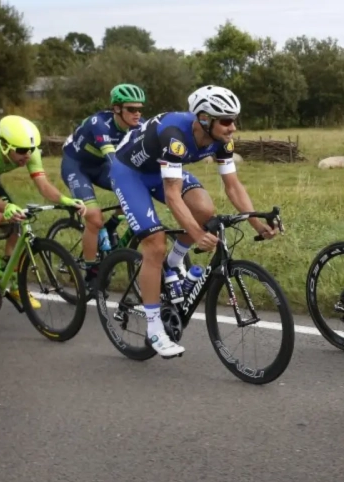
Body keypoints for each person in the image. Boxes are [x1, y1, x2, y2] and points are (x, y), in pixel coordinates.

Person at [109, 85, 278, 358]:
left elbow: (233, 186)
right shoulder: (174, 135)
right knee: (154, 244)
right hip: (130, 172)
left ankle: (174, 262)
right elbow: (173, 195)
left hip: (161, 169)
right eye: (225, 120)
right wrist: (196, 235)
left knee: (204, 209)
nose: (232, 127)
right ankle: (154, 329)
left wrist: (256, 223)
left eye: (234, 119)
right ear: (203, 118)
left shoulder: (222, 140)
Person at [0, 116, 86, 307]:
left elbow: (43, 185)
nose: (28, 155)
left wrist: (66, 200)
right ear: (5, 146)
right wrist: (5, 207)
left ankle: (11, 279)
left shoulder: (29, 152)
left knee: (17, 217)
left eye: (32, 150)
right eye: (22, 151)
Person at [60, 83, 146, 292]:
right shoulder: (100, 124)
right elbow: (114, 161)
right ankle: (91, 272)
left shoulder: (139, 124)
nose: (137, 114)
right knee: (94, 218)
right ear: (117, 109)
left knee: (138, 188)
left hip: (100, 166)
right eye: (131, 109)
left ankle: (113, 224)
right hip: (77, 166)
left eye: (139, 109)